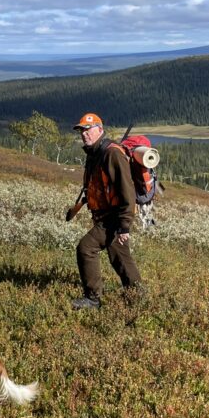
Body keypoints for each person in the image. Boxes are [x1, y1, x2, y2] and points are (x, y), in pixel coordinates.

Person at [70, 112, 142, 309]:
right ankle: (138, 297)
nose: (84, 134)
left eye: (88, 129)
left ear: (100, 130)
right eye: (82, 130)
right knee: (120, 258)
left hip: (114, 217)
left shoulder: (112, 153)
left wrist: (124, 226)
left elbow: (127, 192)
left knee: (86, 248)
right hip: (105, 215)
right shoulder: (94, 153)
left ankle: (93, 299)